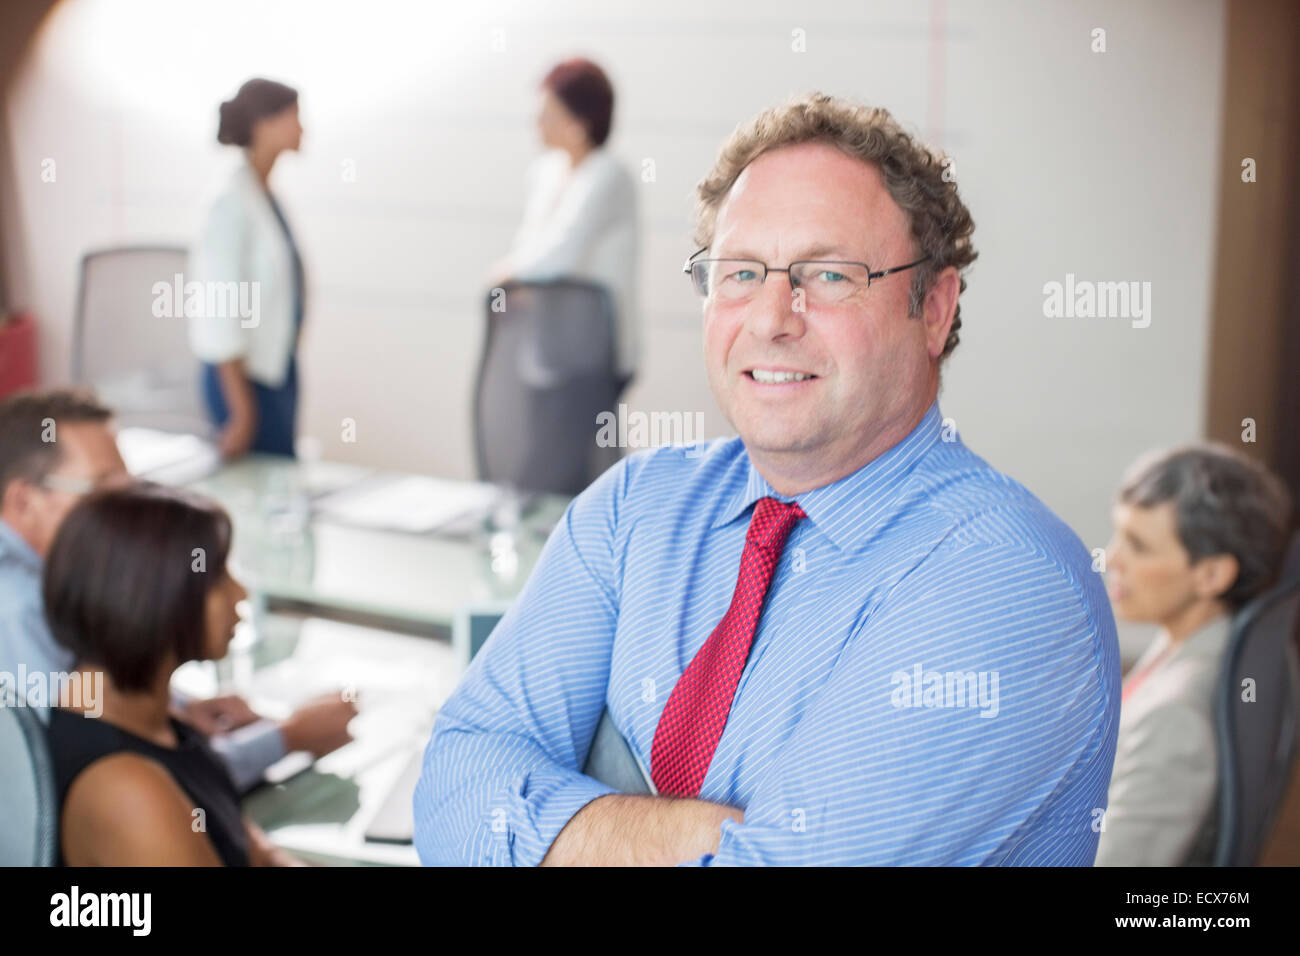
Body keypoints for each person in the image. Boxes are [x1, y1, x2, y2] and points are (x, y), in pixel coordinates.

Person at [415, 92, 1121, 866]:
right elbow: (453, 791)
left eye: (827, 273)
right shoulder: (632, 508)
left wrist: (558, 825)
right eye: (740, 272)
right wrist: (698, 832)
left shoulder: (1009, 585)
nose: (772, 318)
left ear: (935, 308)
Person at [0, 388, 356, 792]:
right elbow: (65, 775)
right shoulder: (17, 608)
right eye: (101, 492)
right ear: (23, 501)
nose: (128, 512)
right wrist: (286, 738)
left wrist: (174, 712)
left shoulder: (44, 580)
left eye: (129, 489)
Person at [44, 482, 301, 865]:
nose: (240, 593)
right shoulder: (126, 790)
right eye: (218, 577)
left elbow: (257, 853)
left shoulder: (160, 723)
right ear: (151, 597)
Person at [1096, 445, 1291, 866]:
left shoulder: (1174, 716)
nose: (1112, 558)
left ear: (1212, 574)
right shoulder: (1200, 643)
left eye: (1139, 546)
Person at [490, 57, 640, 392]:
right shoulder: (545, 172)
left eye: (548, 113)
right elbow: (529, 245)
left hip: (595, 350)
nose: (537, 122)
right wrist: (516, 269)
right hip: (547, 346)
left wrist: (510, 272)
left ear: (579, 122)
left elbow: (563, 253)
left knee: (584, 439)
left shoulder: (609, 176)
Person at [189, 78, 306, 458]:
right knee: (256, 491)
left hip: (274, 369)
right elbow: (219, 308)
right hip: (241, 382)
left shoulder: (262, 192)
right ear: (263, 125)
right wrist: (240, 411)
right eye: (294, 117)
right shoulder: (230, 201)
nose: (303, 128)